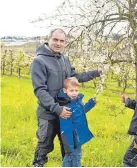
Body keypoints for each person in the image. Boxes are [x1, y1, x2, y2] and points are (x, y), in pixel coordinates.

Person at [31, 28, 101, 167]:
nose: (58, 43)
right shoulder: (39, 61)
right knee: (44, 147)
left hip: (67, 115)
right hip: (49, 114)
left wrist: (96, 72)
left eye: (62, 41)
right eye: (55, 39)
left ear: (65, 43)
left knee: (68, 148)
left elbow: (76, 77)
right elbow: (40, 90)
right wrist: (57, 109)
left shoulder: (65, 59)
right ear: (49, 39)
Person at [56, 77, 96, 167]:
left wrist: (91, 103)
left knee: (71, 156)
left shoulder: (77, 102)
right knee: (74, 156)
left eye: (76, 90)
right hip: (71, 136)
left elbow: (82, 110)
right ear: (65, 90)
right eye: (71, 90)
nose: (74, 93)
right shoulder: (66, 105)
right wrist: (70, 142)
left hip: (77, 134)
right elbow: (66, 125)